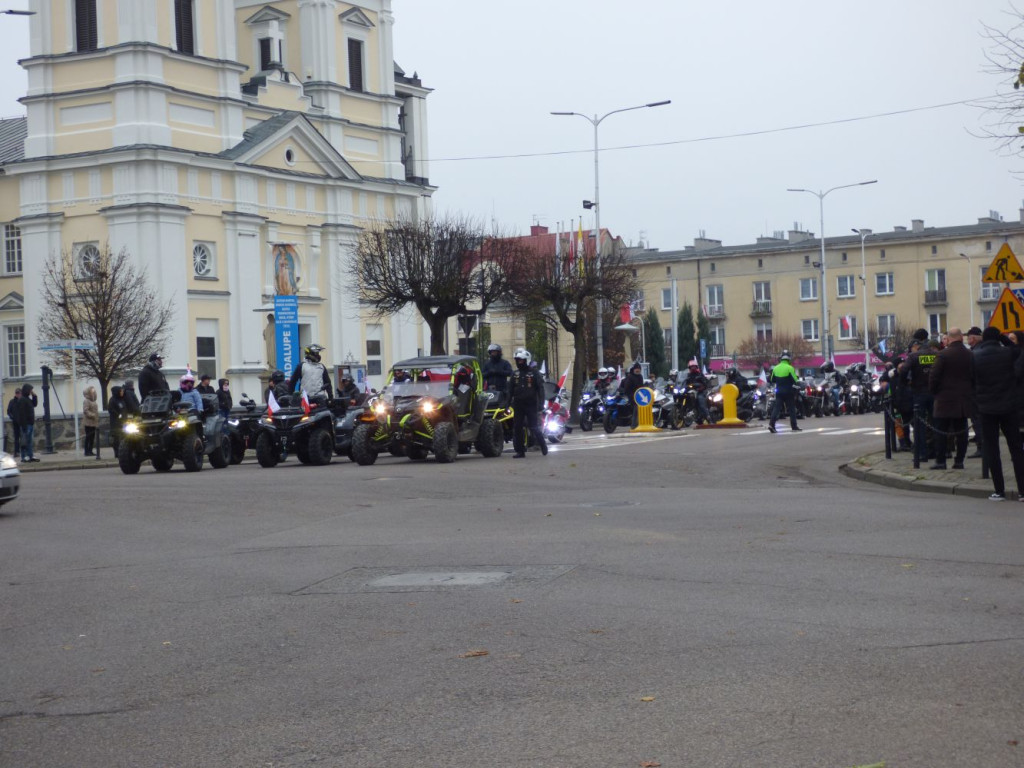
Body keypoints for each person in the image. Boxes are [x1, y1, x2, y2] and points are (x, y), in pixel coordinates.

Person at [972, 326, 1024, 501]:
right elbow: (1018, 350)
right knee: (1016, 449)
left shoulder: (975, 356)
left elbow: (972, 382)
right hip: (1009, 407)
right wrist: (1004, 339)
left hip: (986, 409)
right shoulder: (1008, 353)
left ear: (983, 339)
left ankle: (999, 490)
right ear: (998, 338)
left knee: (992, 449)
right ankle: (1022, 491)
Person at [928, 328, 973, 470]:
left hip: (944, 400)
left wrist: (935, 393)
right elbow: (975, 376)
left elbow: (934, 377)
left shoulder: (942, 355)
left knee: (940, 431)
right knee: (962, 432)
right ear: (961, 337)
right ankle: (959, 461)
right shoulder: (970, 354)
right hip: (963, 400)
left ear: (949, 338)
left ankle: (941, 461)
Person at [900, 330, 938, 465]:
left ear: (917, 344)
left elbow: (904, 371)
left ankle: (922, 454)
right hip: (934, 392)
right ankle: (940, 453)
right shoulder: (936, 354)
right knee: (936, 423)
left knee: (920, 424)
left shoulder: (914, 356)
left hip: (919, 392)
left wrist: (906, 383)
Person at [508, 348, 547, 459]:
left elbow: (540, 389)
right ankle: (520, 451)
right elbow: (510, 390)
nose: (519, 362)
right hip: (518, 404)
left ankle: (542, 445)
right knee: (517, 427)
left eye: (521, 360)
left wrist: (541, 403)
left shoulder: (534, 373)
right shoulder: (515, 374)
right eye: (518, 360)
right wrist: (506, 403)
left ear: (526, 360)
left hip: (531, 404)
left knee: (534, 426)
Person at [768, 352, 801, 433]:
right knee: (791, 409)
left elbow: (772, 380)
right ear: (789, 360)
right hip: (788, 391)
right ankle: (794, 426)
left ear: (781, 359)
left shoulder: (775, 368)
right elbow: (795, 380)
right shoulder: (790, 368)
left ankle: (771, 424)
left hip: (779, 391)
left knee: (777, 408)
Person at [15, 384, 39, 462]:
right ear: (26, 390)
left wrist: (34, 395)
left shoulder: (27, 399)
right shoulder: (22, 400)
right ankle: (24, 456)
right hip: (26, 424)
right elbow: (22, 414)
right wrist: (23, 425)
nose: (31, 391)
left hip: (30, 423)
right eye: (30, 390)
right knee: (24, 441)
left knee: (29, 441)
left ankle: (30, 455)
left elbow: (34, 404)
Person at [107, 385, 128, 457]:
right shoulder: (112, 400)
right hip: (116, 423)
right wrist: (118, 415)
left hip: (123, 422)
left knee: (124, 438)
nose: (122, 392)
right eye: (121, 391)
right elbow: (111, 410)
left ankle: (124, 452)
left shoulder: (122, 400)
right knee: (116, 439)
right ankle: (117, 453)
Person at [82, 385, 99, 456]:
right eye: (92, 391)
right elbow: (85, 411)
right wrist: (92, 415)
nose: (93, 392)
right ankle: (86, 451)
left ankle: (90, 450)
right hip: (88, 422)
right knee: (88, 437)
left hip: (94, 422)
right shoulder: (86, 401)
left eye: (93, 391)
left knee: (92, 437)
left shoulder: (93, 401)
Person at [6, 386, 21, 458]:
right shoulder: (12, 402)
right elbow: (8, 411)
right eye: (17, 393)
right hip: (15, 422)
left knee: (23, 437)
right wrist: (13, 418)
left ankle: (23, 451)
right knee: (16, 438)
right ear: (15, 394)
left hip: (22, 422)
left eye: (19, 393)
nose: (18, 394)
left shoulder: (22, 401)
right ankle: (16, 452)